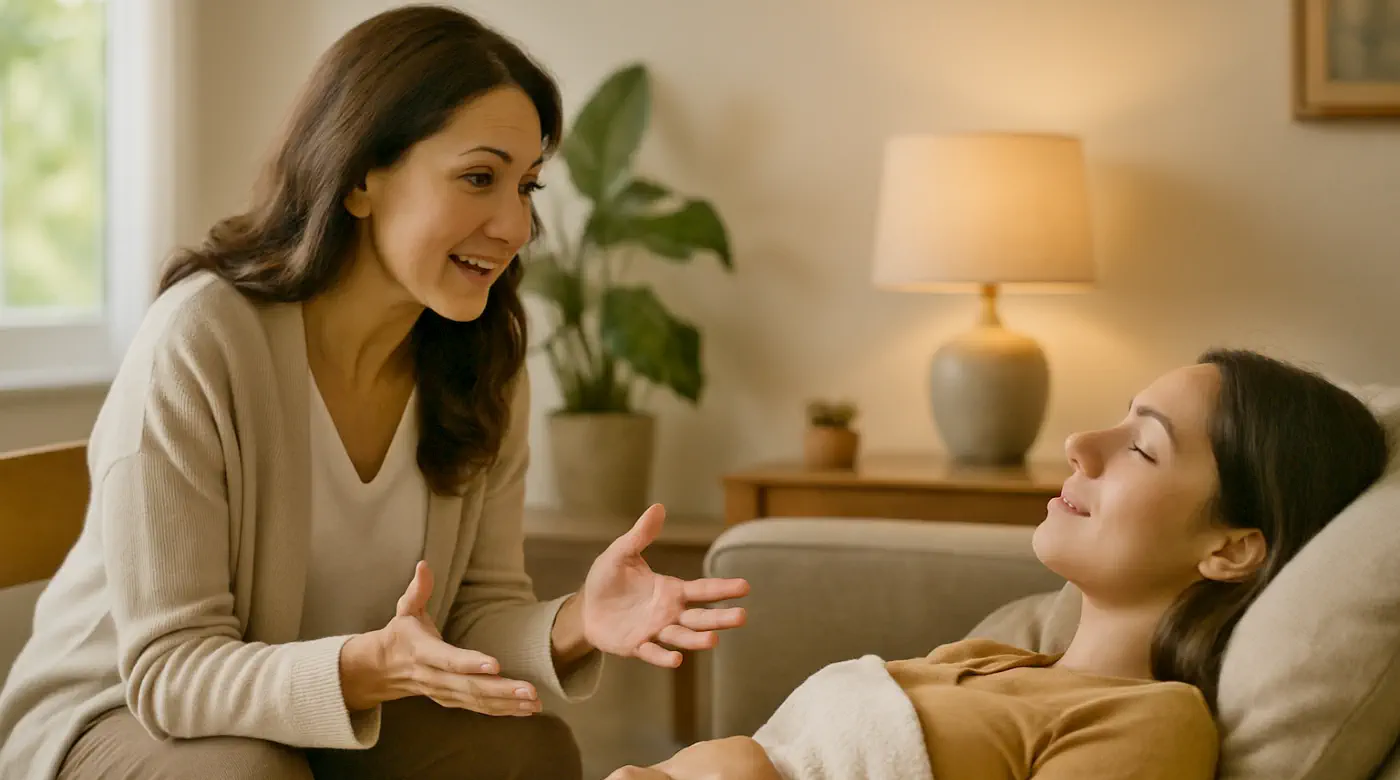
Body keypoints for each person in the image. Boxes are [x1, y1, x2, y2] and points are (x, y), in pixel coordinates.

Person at [0, 6, 750, 780]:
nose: (517, 224)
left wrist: (579, 622)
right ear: (360, 178)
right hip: (115, 716)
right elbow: (170, 671)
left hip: (327, 716)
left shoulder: (484, 360)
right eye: (479, 178)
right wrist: (368, 669)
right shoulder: (202, 339)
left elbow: (471, 619)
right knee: (247, 775)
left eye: (526, 186)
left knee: (525, 750)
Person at [608, 348, 1389, 780]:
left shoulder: (1151, 722)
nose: (1080, 446)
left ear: (1229, 548)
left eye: (1142, 447)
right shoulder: (993, 657)